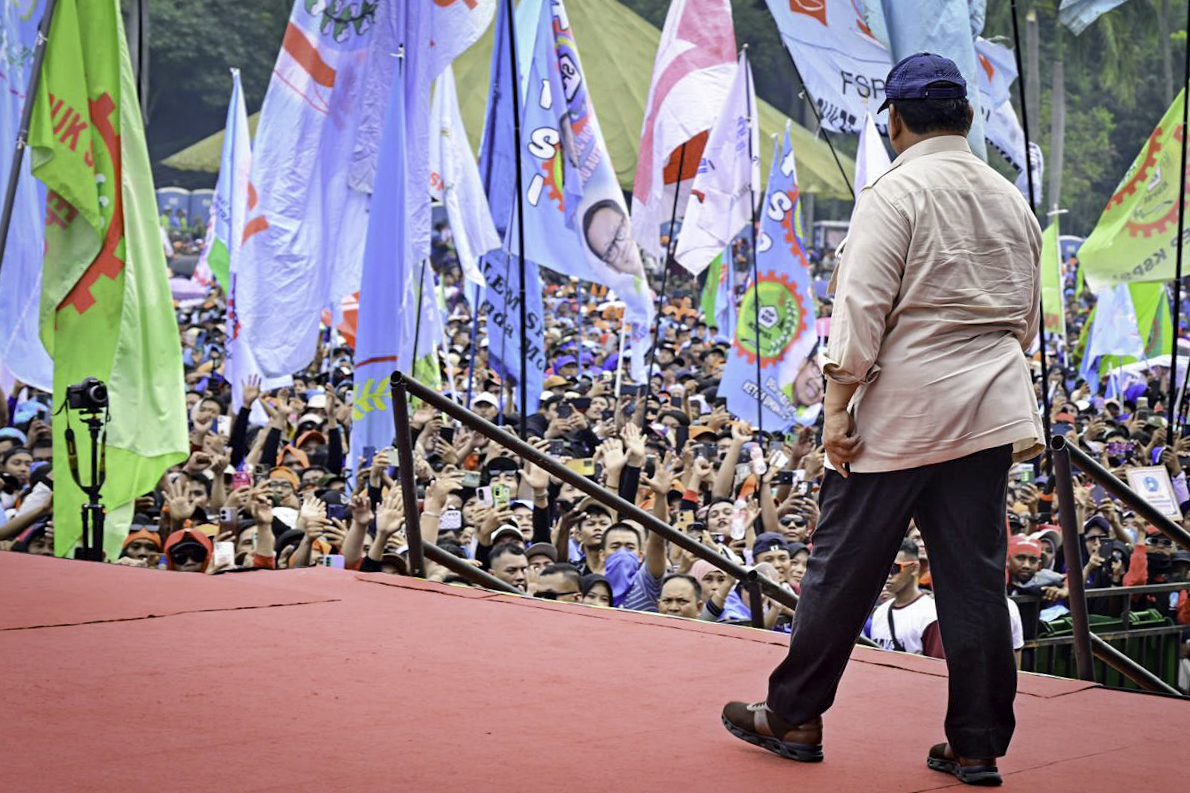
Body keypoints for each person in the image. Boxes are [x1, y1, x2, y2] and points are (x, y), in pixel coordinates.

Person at [722, 53, 1044, 786]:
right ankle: (977, 743)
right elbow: (1026, 324)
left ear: (894, 121)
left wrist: (837, 408)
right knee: (974, 581)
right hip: (989, 406)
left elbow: (860, 314)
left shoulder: (893, 192)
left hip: (898, 412)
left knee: (842, 568)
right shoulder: (1010, 198)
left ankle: (796, 715)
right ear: (965, 117)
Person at [864, 539, 944, 658]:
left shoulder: (930, 614)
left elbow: (937, 668)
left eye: (894, 568)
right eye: (884, 568)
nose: (888, 575)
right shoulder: (879, 613)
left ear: (914, 568)